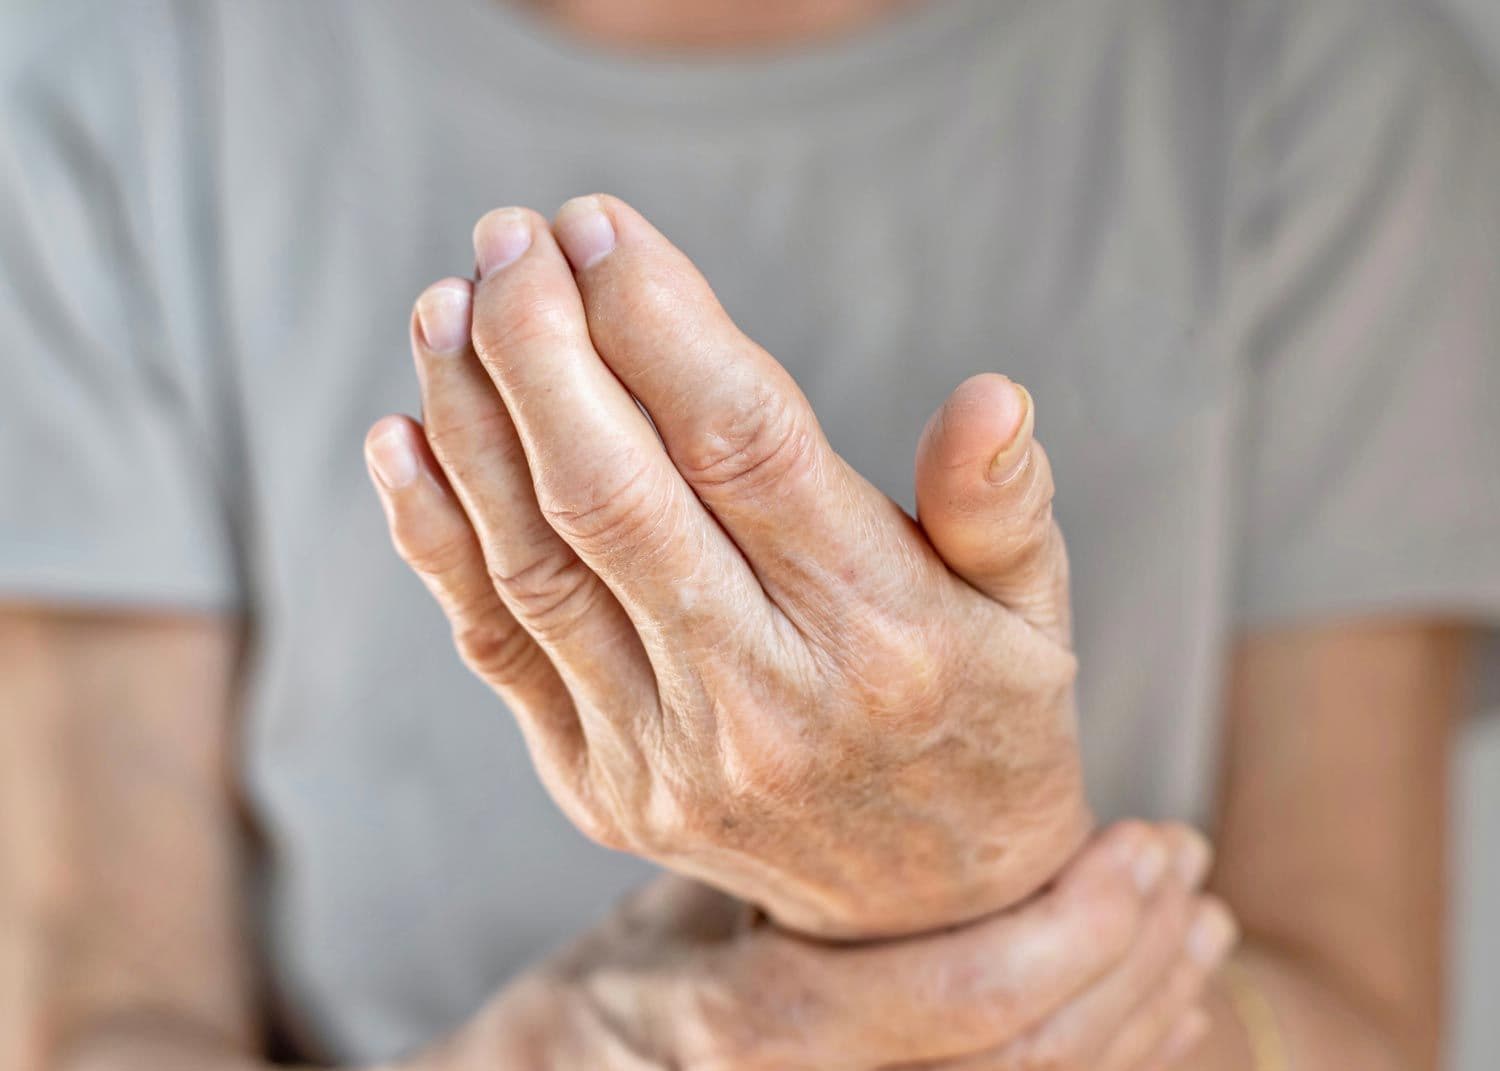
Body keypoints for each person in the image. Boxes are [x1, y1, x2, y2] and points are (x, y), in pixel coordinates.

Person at [1, 0, 1496, 1068]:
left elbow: (1359, 1021)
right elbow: (104, 1016)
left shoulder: (1317, 78)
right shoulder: (127, 79)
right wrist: (580, 1058)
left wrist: (937, 895)